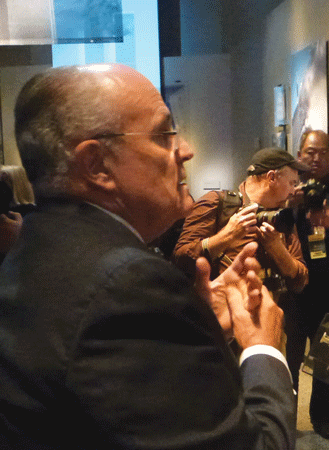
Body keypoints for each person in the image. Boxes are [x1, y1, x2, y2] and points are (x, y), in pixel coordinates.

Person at [0, 64, 296, 449]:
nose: (185, 150)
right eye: (163, 135)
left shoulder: (38, 243)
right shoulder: (126, 285)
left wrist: (193, 320)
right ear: (96, 165)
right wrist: (263, 349)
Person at [282, 129, 329, 440]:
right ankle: (286, 418)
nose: (315, 158)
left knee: (327, 357)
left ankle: (322, 417)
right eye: (309, 152)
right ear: (300, 154)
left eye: (322, 152)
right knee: (291, 358)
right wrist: (290, 204)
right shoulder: (290, 188)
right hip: (297, 289)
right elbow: (276, 228)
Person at [172, 147, 309, 304]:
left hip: (270, 319)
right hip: (220, 319)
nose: (293, 191)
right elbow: (180, 261)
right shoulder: (217, 203)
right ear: (271, 178)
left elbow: (300, 282)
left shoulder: (281, 218)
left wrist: (277, 249)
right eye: (292, 183)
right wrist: (227, 236)